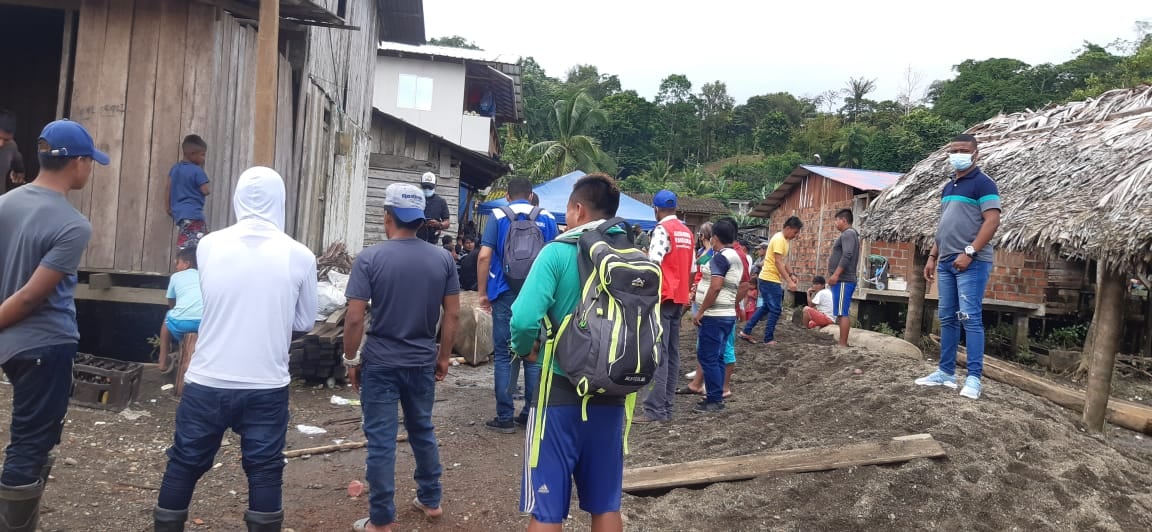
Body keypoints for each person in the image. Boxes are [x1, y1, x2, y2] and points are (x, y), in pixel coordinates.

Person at [154, 166, 318, 532]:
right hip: (265, 385)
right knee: (264, 471)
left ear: (237, 199)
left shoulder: (210, 245)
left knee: (183, 463)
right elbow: (304, 322)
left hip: (207, 380)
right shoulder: (301, 255)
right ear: (281, 200)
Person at [509, 173, 627, 532]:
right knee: (606, 503)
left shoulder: (558, 252)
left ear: (578, 209)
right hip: (614, 393)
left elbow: (524, 318)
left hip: (560, 390)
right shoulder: (631, 258)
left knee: (547, 507)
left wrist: (523, 348)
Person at [0, 120, 103, 531]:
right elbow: (30, 297)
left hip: (12, 346)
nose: (90, 170)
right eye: (90, 162)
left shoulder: (6, 204)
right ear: (77, 163)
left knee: (35, 440)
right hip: (45, 345)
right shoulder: (73, 224)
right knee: (30, 444)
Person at [342, 183, 460, 532]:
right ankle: (430, 499)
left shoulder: (370, 259)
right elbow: (452, 315)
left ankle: (381, 520)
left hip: (380, 361)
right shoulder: (442, 259)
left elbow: (353, 317)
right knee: (422, 428)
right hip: (422, 360)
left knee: (381, 439)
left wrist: (351, 360)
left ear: (387, 216)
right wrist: (443, 356)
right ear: (421, 219)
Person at [915, 134, 1001, 400]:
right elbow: (944, 225)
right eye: (954, 150)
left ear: (976, 153)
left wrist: (970, 252)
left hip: (971, 263)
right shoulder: (949, 186)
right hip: (945, 261)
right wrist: (932, 255)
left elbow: (992, 221)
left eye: (964, 150)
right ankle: (946, 372)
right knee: (947, 317)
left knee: (970, 318)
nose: (958, 154)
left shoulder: (984, 184)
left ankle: (974, 379)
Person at [477, 177, 558, 433]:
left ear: (508, 196)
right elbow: (554, 256)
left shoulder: (499, 215)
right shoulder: (546, 217)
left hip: (504, 292)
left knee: (504, 355)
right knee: (534, 356)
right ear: (531, 195)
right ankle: (530, 414)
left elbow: (484, 256)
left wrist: (482, 294)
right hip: (537, 295)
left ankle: (504, 417)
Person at [634, 190, 694, 424]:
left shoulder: (662, 230)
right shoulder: (687, 232)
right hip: (678, 298)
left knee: (660, 354)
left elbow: (654, 265)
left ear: (656, 209)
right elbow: (691, 269)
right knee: (673, 353)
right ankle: (667, 406)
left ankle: (655, 409)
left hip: (663, 298)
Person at [692, 218, 744, 413]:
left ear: (714, 238)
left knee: (708, 357)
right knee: (719, 357)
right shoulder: (735, 255)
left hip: (715, 315)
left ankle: (713, 399)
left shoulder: (721, 257)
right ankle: (717, 395)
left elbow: (715, 287)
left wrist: (702, 310)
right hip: (728, 313)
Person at [739, 216, 803, 345]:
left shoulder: (785, 240)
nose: (796, 235)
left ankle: (746, 331)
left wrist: (792, 274)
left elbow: (783, 261)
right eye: (795, 232)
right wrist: (789, 281)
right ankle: (768, 338)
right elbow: (778, 263)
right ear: (788, 228)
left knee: (766, 307)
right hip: (770, 279)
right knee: (776, 309)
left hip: (769, 279)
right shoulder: (779, 239)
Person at [158, 247, 203, 373]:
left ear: (186, 264)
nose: (176, 266)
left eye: (177, 263)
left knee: (167, 319)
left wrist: (176, 310)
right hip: (205, 324)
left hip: (180, 324)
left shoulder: (176, 277)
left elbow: (171, 301)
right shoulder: (206, 276)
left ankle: (163, 361)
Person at [166, 135, 211, 249]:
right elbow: (205, 191)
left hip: (179, 214)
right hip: (193, 214)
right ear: (192, 154)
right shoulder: (197, 171)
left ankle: (183, 262)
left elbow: (168, 188)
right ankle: (188, 264)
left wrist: (168, 208)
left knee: (185, 239)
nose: (204, 158)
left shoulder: (175, 169)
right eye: (202, 155)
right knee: (197, 245)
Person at [827, 208, 860, 347]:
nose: (835, 223)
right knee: (841, 311)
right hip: (842, 280)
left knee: (842, 312)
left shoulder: (848, 234)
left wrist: (836, 274)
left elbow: (847, 255)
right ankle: (842, 342)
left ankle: (842, 343)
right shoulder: (850, 234)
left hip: (844, 280)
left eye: (837, 220)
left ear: (843, 220)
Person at [416, 172, 451, 244]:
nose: (427, 189)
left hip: (432, 241)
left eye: (430, 187)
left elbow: (447, 222)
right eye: (425, 187)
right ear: (421, 185)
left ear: (435, 186)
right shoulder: (415, 199)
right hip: (415, 239)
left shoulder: (441, 201)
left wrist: (439, 224)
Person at [0, 111, 26, 193]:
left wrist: (19, 171)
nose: (1, 144)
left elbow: (17, 159)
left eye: (6, 140)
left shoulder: (11, 146)